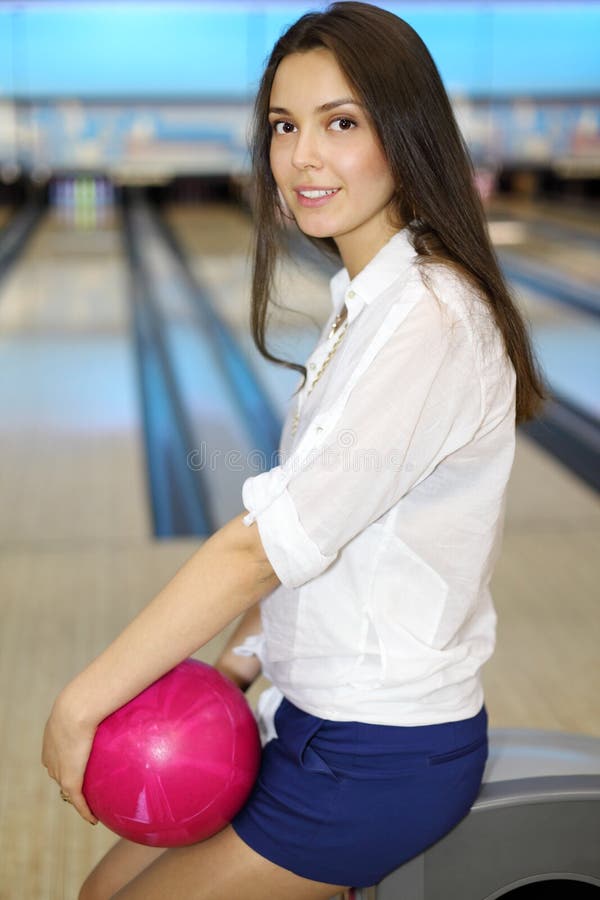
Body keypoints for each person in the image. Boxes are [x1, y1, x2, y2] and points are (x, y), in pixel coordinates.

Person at [42, 3, 545, 898]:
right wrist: (238, 664)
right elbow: (328, 531)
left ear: (405, 133)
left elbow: (260, 545)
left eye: (340, 124)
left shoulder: (429, 319)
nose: (303, 157)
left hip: (381, 758)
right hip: (307, 722)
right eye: (284, 126)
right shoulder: (372, 299)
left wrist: (84, 700)